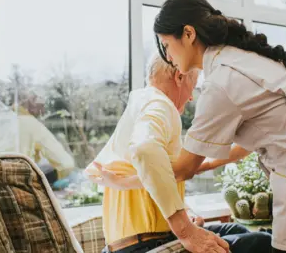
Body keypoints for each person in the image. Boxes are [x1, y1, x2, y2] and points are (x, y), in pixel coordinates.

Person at [97, 0, 286, 253]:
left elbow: (183, 168)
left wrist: (125, 181)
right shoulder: (244, 60)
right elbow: (248, 144)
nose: (167, 56)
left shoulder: (222, 81)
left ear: (187, 34)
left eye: (166, 45)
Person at [85, 55, 271, 253]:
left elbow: (181, 168)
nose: (191, 96)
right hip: (143, 246)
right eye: (193, 82)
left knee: (236, 229)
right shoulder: (160, 104)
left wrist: (256, 139)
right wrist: (186, 231)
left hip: (130, 243)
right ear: (179, 76)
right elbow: (145, 149)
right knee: (262, 242)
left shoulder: (141, 103)